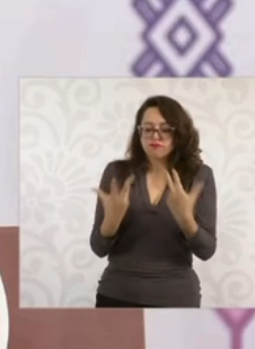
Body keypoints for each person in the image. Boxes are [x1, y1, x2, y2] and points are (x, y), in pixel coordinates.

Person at [89, 95, 217, 308]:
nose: (155, 136)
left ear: (179, 132)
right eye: (147, 129)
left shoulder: (199, 176)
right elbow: (98, 248)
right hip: (116, 294)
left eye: (165, 129)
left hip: (177, 298)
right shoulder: (117, 172)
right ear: (138, 133)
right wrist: (111, 222)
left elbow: (207, 251)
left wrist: (186, 220)